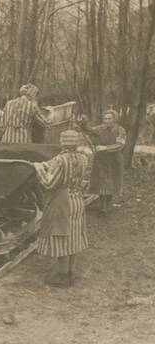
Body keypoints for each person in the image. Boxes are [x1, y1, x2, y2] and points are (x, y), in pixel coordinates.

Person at [33, 130, 89, 288]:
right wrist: (47, 164)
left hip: (62, 201)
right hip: (77, 200)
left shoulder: (60, 159)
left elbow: (50, 183)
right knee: (75, 235)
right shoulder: (83, 158)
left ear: (63, 142)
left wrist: (39, 169)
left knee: (62, 235)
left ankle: (61, 275)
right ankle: (71, 273)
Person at [79, 109, 126, 216]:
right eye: (105, 118)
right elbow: (88, 130)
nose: (106, 121)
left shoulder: (120, 130)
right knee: (101, 182)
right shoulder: (100, 128)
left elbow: (120, 145)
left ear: (115, 119)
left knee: (111, 182)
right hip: (101, 160)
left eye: (109, 119)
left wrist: (104, 147)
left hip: (114, 160)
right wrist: (83, 122)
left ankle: (107, 205)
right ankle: (102, 205)